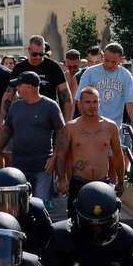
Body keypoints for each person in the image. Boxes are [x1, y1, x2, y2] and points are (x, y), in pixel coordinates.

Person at [56, 87, 125, 218]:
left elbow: (118, 155)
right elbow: (61, 155)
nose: (92, 106)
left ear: (99, 102)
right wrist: (61, 180)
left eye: (94, 102)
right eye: (87, 102)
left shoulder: (110, 127)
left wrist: (121, 181)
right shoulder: (71, 127)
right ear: (80, 104)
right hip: (78, 182)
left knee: (107, 221)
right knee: (76, 223)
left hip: (103, 182)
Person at [0, 72, 64, 203]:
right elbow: (7, 130)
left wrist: (54, 156)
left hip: (42, 166)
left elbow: (62, 132)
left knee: (40, 204)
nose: (17, 89)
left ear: (29, 87)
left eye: (19, 85)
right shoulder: (15, 106)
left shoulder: (50, 106)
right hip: (19, 165)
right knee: (20, 204)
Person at [0, 35, 73, 126]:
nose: (38, 57)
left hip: (49, 117)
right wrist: (2, 118)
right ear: (29, 50)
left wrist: (67, 122)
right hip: (25, 116)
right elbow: (9, 94)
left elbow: (66, 96)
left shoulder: (53, 67)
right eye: (34, 54)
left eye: (41, 54)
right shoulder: (20, 67)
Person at [76, 42, 133, 139]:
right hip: (92, 127)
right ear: (103, 56)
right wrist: (86, 122)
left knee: (115, 153)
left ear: (121, 60)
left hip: (115, 128)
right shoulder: (90, 73)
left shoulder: (126, 75)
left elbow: (130, 103)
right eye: (106, 60)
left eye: (114, 62)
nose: (109, 64)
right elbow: (79, 100)